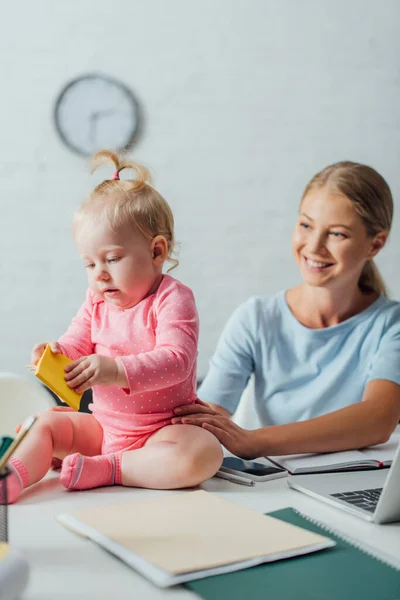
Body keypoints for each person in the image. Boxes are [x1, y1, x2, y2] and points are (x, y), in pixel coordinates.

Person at [5, 150, 223, 504]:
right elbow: (76, 343)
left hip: (161, 433)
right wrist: (55, 354)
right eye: (89, 264)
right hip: (103, 427)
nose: (100, 274)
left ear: (156, 252)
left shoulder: (172, 298)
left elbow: (177, 360)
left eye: (112, 259)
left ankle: (110, 469)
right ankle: (11, 478)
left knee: (203, 455)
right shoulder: (97, 300)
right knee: (44, 423)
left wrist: (115, 370)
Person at [172, 161, 400, 459]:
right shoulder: (255, 319)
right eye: (306, 225)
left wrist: (255, 442)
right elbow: (208, 415)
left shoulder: (390, 324)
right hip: (277, 484)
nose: (314, 246)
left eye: (338, 234)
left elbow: (377, 420)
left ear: (375, 244)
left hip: (356, 485)